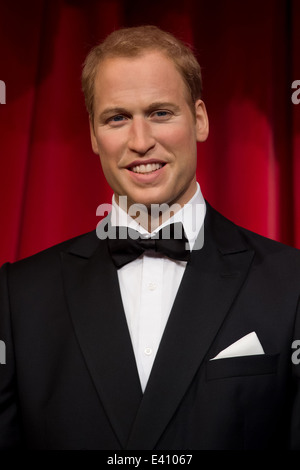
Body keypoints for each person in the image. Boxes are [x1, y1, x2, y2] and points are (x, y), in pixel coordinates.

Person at [0, 25, 300, 451]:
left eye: (160, 113)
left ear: (199, 119)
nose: (141, 142)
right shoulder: (18, 296)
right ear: (92, 134)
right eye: (117, 118)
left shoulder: (292, 284)